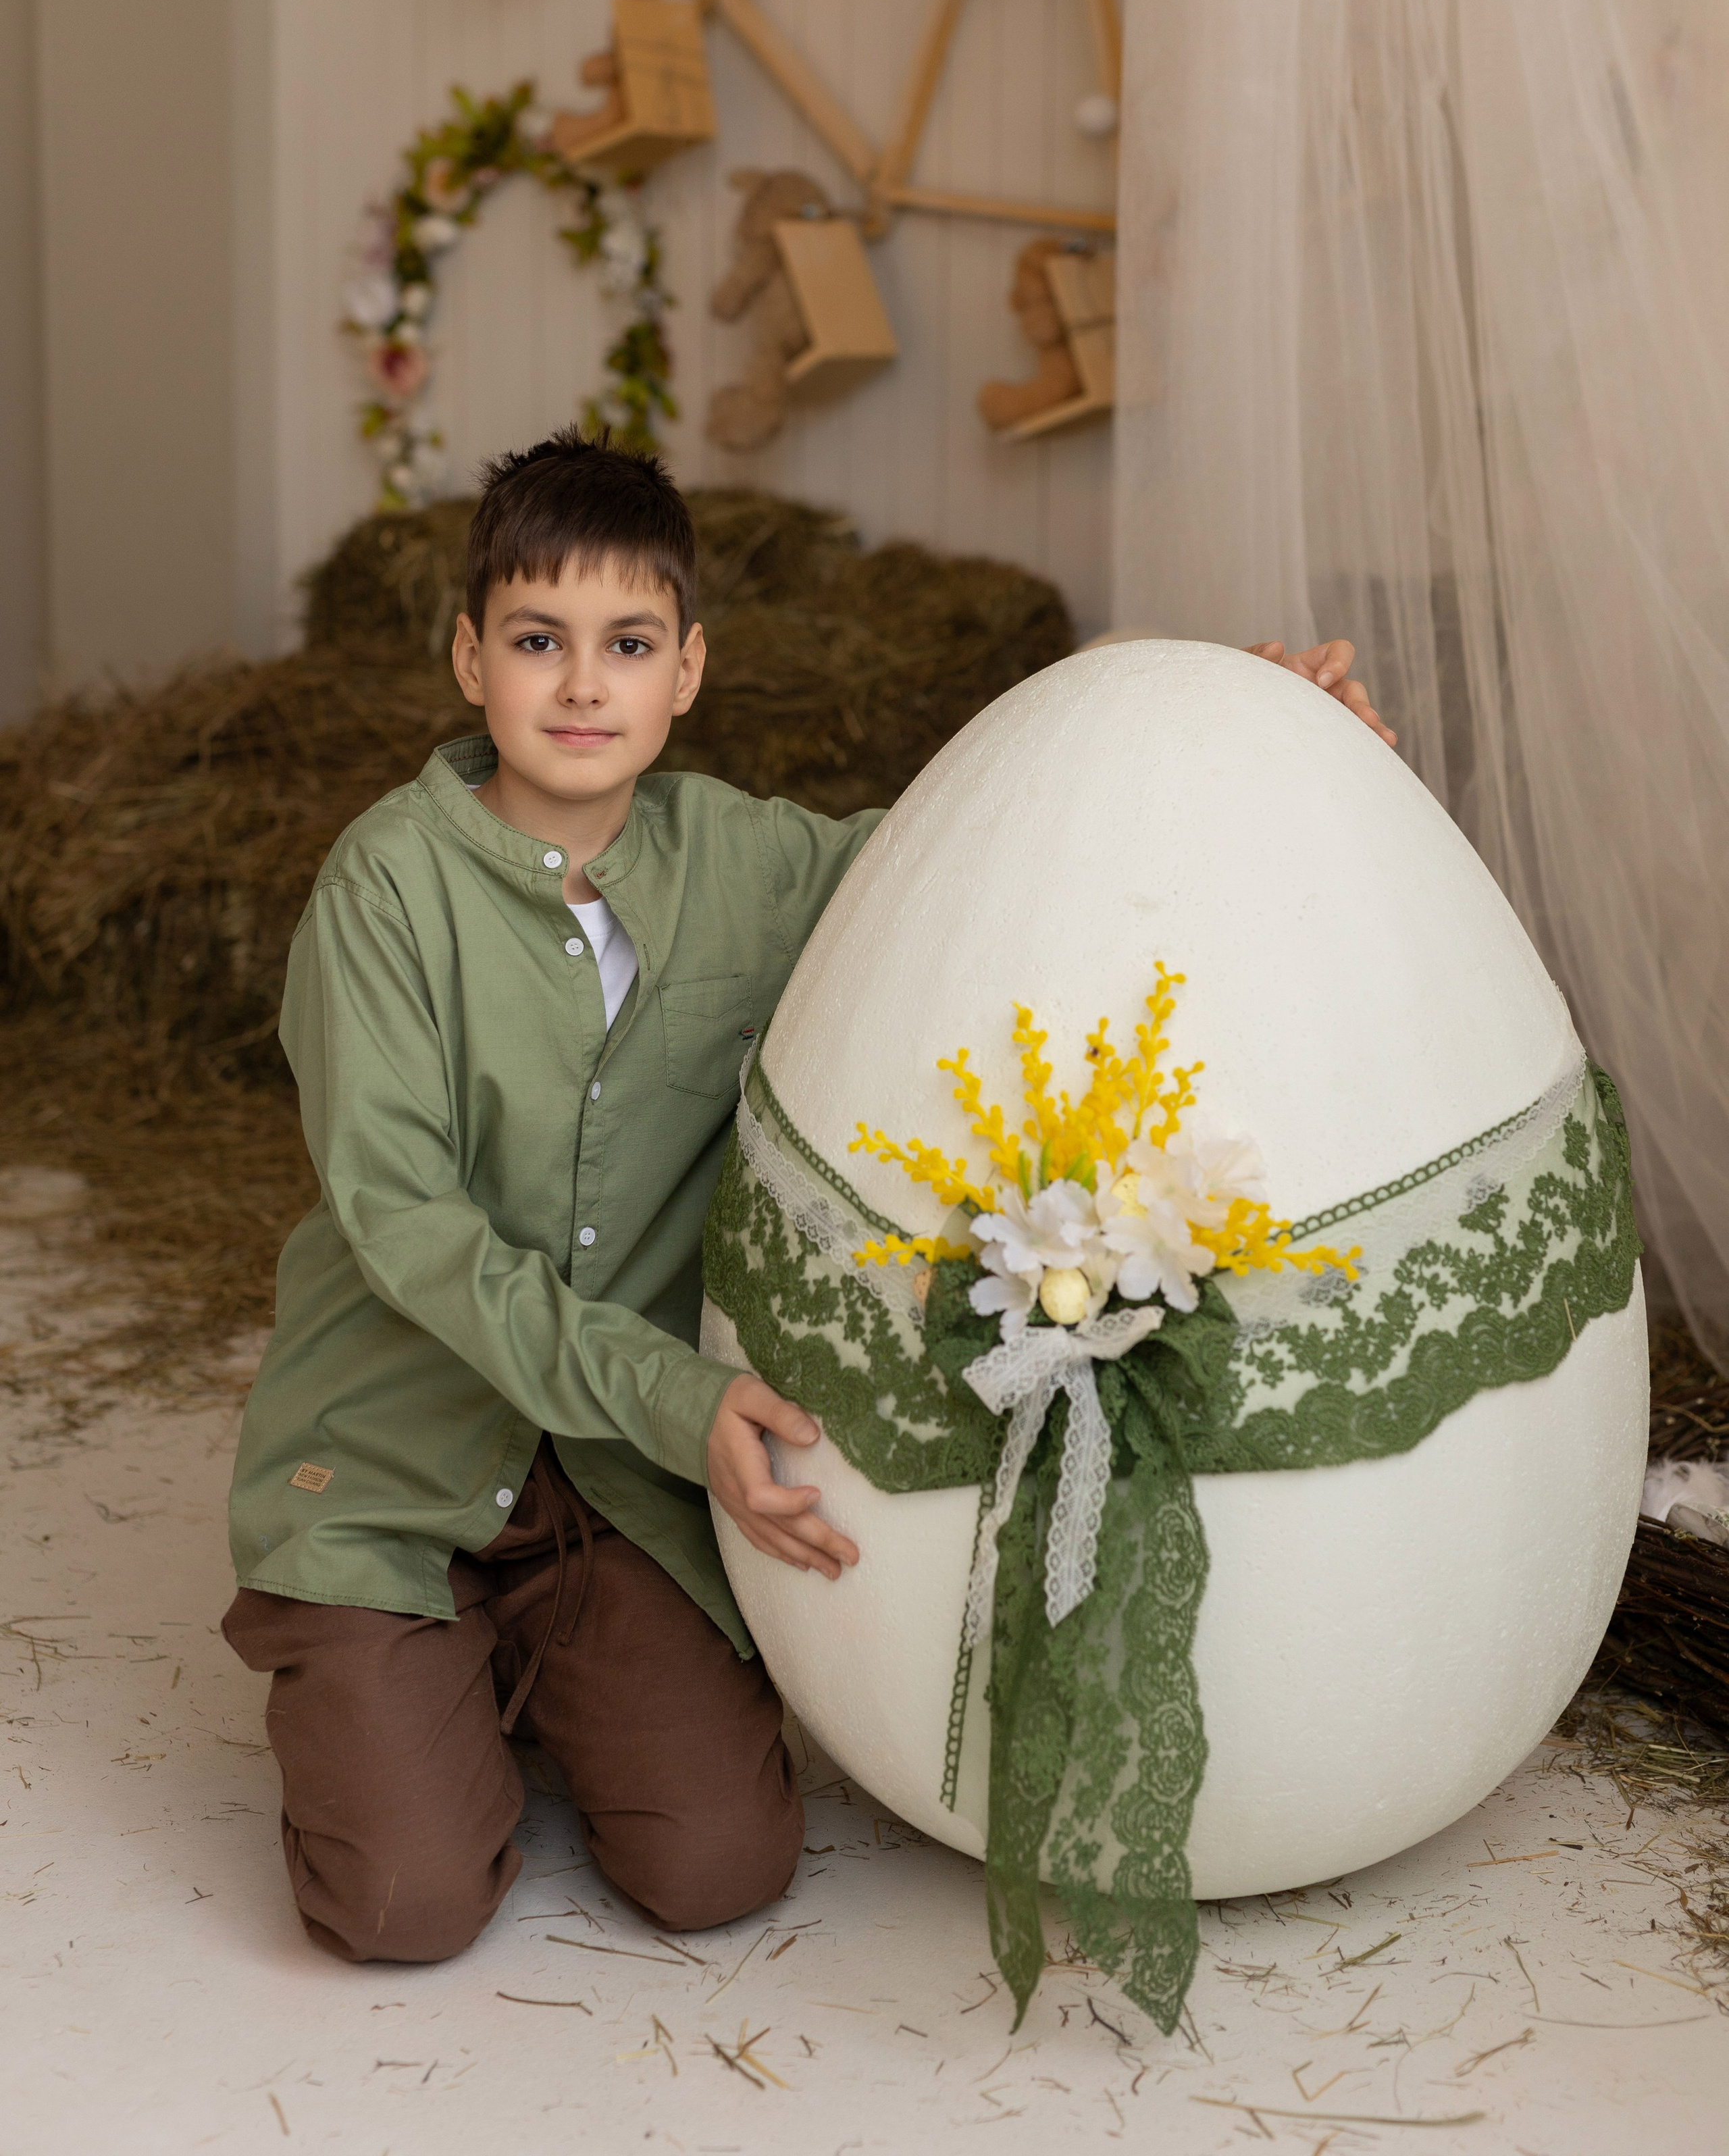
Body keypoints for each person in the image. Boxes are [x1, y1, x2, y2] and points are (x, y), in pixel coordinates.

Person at [222, 429, 1392, 1967]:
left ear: (688, 669)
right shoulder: (381, 891)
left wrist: (1246, 733)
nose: (581, 685)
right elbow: (409, 1230)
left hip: (612, 1490)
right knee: (404, 1906)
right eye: (537, 640)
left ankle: (521, 1669)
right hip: (394, 1466)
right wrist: (680, 1396)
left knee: (720, 1865)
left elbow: (1014, 842)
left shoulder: (755, 866)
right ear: (468, 657)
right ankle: (396, 1661)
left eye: (627, 643)